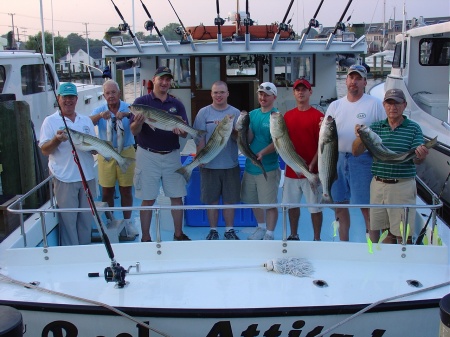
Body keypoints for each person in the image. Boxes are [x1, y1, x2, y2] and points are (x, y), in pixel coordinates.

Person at [352, 89, 429, 244]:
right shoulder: (376, 127)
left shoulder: (413, 128)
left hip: (402, 185)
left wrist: (421, 155)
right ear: (384, 105)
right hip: (378, 185)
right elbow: (356, 152)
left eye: (397, 103)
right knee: (384, 229)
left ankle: (402, 262)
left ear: (404, 105)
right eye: (389, 103)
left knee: (403, 232)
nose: (393, 107)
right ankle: (386, 262)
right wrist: (361, 137)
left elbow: (418, 161)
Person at [130, 66, 191, 242]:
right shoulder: (142, 102)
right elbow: (133, 131)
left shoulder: (177, 104)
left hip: (172, 155)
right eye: (161, 79)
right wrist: (139, 122)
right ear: (154, 80)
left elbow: (186, 133)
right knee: (147, 199)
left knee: (176, 197)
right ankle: (146, 238)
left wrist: (183, 132)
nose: (164, 82)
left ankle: (178, 234)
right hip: (147, 155)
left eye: (167, 79)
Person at [325, 64, 385, 241]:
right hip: (336, 159)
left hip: (364, 160)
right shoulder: (335, 106)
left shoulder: (374, 104)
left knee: (366, 207)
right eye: (351, 77)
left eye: (358, 78)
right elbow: (324, 136)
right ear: (346, 80)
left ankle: (373, 247)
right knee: (339, 206)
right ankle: (344, 244)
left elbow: (382, 134)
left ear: (365, 82)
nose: (354, 81)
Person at [39, 82, 97, 246]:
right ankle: (71, 254)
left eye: (71, 97)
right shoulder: (50, 121)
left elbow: (93, 148)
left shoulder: (85, 120)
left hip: (87, 176)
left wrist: (99, 149)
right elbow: (44, 150)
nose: (68, 101)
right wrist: (57, 140)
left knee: (86, 219)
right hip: (64, 179)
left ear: (76, 99)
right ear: (58, 98)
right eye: (65, 97)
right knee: (68, 222)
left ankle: (84, 249)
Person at [193, 81, 241, 240]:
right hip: (209, 165)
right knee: (211, 201)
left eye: (222, 92)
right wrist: (200, 157)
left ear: (228, 93)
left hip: (230, 164)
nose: (219, 95)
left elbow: (239, 139)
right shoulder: (203, 113)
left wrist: (230, 130)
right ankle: (213, 230)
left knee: (229, 201)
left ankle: (229, 230)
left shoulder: (235, 113)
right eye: (215, 92)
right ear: (211, 94)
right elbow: (199, 138)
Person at [90, 79, 137, 238]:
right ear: (104, 95)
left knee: (126, 189)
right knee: (107, 190)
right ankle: (110, 221)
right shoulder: (100, 109)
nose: (111, 96)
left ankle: (128, 222)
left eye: (113, 92)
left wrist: (126, 115)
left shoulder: (128, 107)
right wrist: (99, 116)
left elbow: (139, 116)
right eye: (107, 93)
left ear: (119, 93)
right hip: (106, 153)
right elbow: (88, 122)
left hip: (126, 150)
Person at [282, 79, 323, 241]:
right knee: (292, 206)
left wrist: (312, 165)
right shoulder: (287, 116)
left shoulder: (319, 117)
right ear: (294, 93)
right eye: (297, 90)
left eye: (304, 89)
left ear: (310, 92)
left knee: (315, 207)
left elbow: (323, 145)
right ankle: (293, 234)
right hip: (291, 171)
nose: (300, 92)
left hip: (312, 171)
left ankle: (317, 238)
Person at [242, 82, 281, 240]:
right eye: (260, 94)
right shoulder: (252, 114)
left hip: (268, 167)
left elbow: (278, 141)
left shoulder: (276, 115)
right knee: (254, 200)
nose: (263, 97)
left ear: (274, 97)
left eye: (266, 94)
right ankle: (261, 227)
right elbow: (250, 138)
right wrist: (241, 131)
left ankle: (270, 234)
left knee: (269, 203)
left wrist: (263, 153)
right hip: (250, 166)